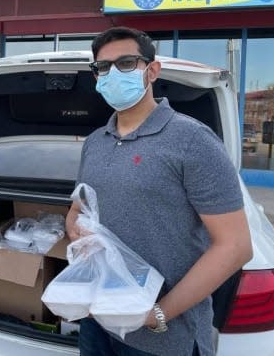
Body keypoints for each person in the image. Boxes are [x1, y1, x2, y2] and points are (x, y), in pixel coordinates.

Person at [65, 26, 253, 356]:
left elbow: (235, 246)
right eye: (103, 68)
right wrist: (76, 232)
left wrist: (159, 313)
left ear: (152, 70)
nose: (112, 74)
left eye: (125, 63)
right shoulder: (95, 143)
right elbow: (78, 208)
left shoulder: (192, 140)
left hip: (165, 338)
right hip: (98, 322)